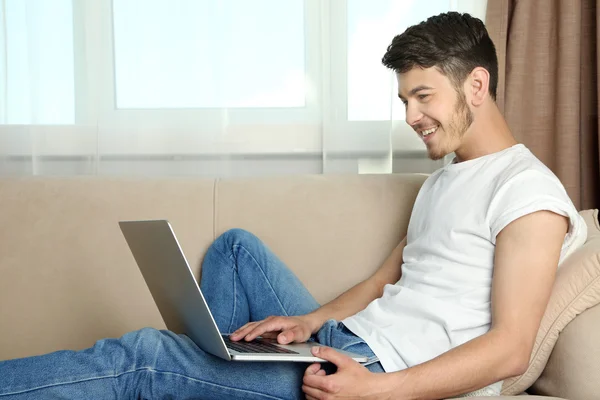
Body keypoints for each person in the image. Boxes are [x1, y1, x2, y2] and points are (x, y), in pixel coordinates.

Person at [0, 11, 587, 400]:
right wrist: (308, 322)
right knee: (234, 248)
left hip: (381, 373)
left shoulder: (527, 194)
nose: (411, 117)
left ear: (476, 86)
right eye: (405, 99)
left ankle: (189, 375)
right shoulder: (444, 180)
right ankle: (224, 375)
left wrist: (374, 390)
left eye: (423, 96)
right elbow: (386, 280)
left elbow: (510, 348)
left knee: (145, 358)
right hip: (348, 340)